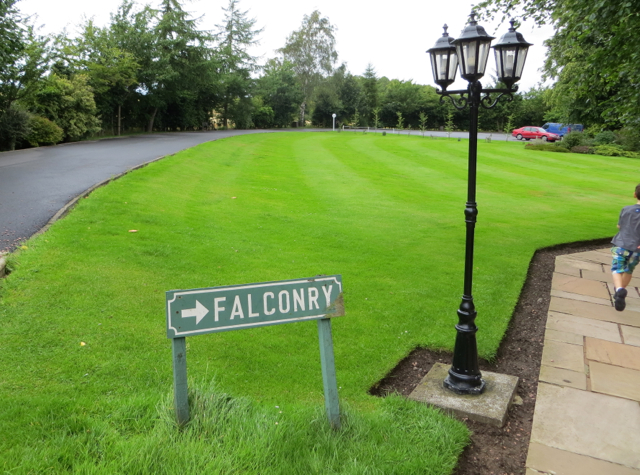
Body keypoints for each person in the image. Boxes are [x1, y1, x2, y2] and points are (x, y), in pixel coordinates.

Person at [611, 183, 640, 311]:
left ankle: (619, 290)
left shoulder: (626, 209)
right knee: (628, 270)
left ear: (635, 195)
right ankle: (619, 294)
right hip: (637, 249)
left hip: (622, 245)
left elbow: (619, 226)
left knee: (617, 269)